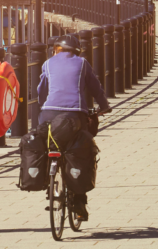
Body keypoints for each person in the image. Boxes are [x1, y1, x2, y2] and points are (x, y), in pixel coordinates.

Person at [38, 35, 111, 221]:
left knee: (48, 144)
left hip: (47, 114)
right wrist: (104, 106)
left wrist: (44, 105)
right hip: (74, 115)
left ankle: (48, 179)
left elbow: (41, 91)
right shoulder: (83, 63)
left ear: (56, 49)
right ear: (75, 50)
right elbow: (96, 88)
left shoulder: (47, 63)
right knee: (80, 150)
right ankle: (79, 202)